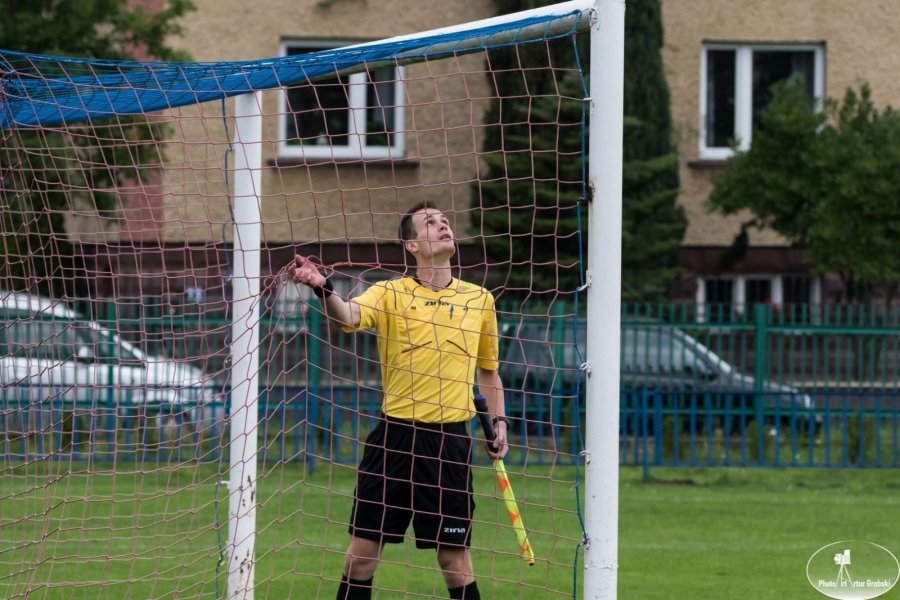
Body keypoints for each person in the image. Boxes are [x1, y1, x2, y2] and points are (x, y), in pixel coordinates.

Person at [289, 201, 509, 600]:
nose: (442, 226)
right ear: (411, 246)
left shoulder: (480, 299)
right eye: (430, 223)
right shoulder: (389, 293)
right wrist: (324, 289)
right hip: (393, 440)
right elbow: (348, 317)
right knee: (361, 558)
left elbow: (489, 372)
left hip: (449, 445)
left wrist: (500, 424)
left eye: (444, 221)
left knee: (454, 560)